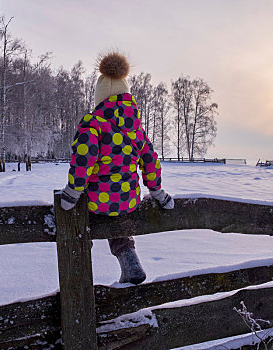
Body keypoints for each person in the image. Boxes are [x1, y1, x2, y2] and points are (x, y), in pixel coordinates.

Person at [60, 52, 174, 285]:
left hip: (96, 202)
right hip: (129, 199)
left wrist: (72, 192)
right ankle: (129, 259)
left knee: (79, 218)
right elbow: (151, 160)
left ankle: (79, 267)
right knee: (116, 212)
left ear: (100, 99)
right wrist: (158, 192)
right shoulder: (136, 129)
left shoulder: (93, 124)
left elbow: (84, 160)